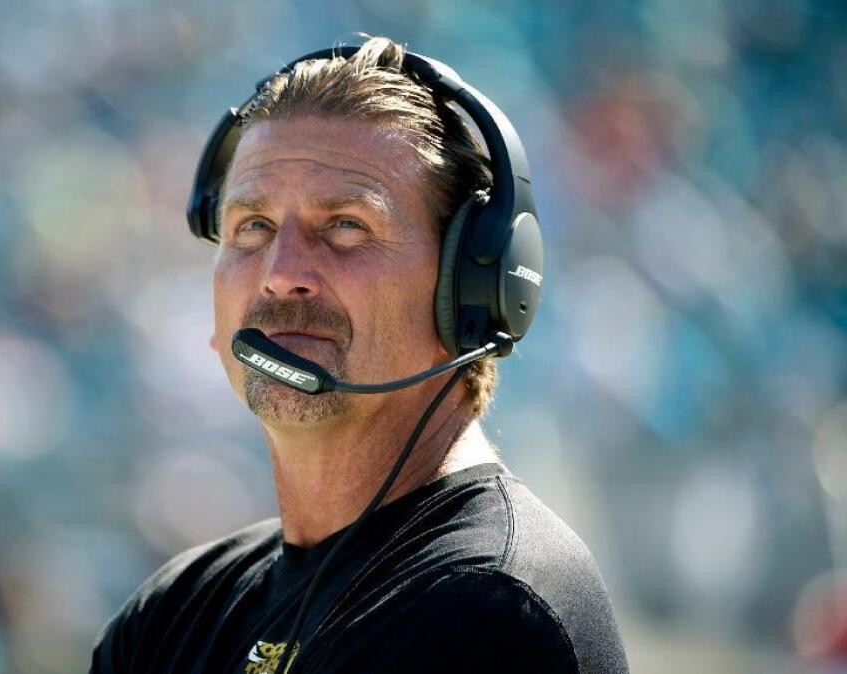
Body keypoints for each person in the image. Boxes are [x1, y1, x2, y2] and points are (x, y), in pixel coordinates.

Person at [91, 37, 628, 673]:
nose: (281, 273)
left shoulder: (490, 611)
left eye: (346, 226)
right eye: (252, 228)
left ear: (471, 289)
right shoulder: (172, 612)